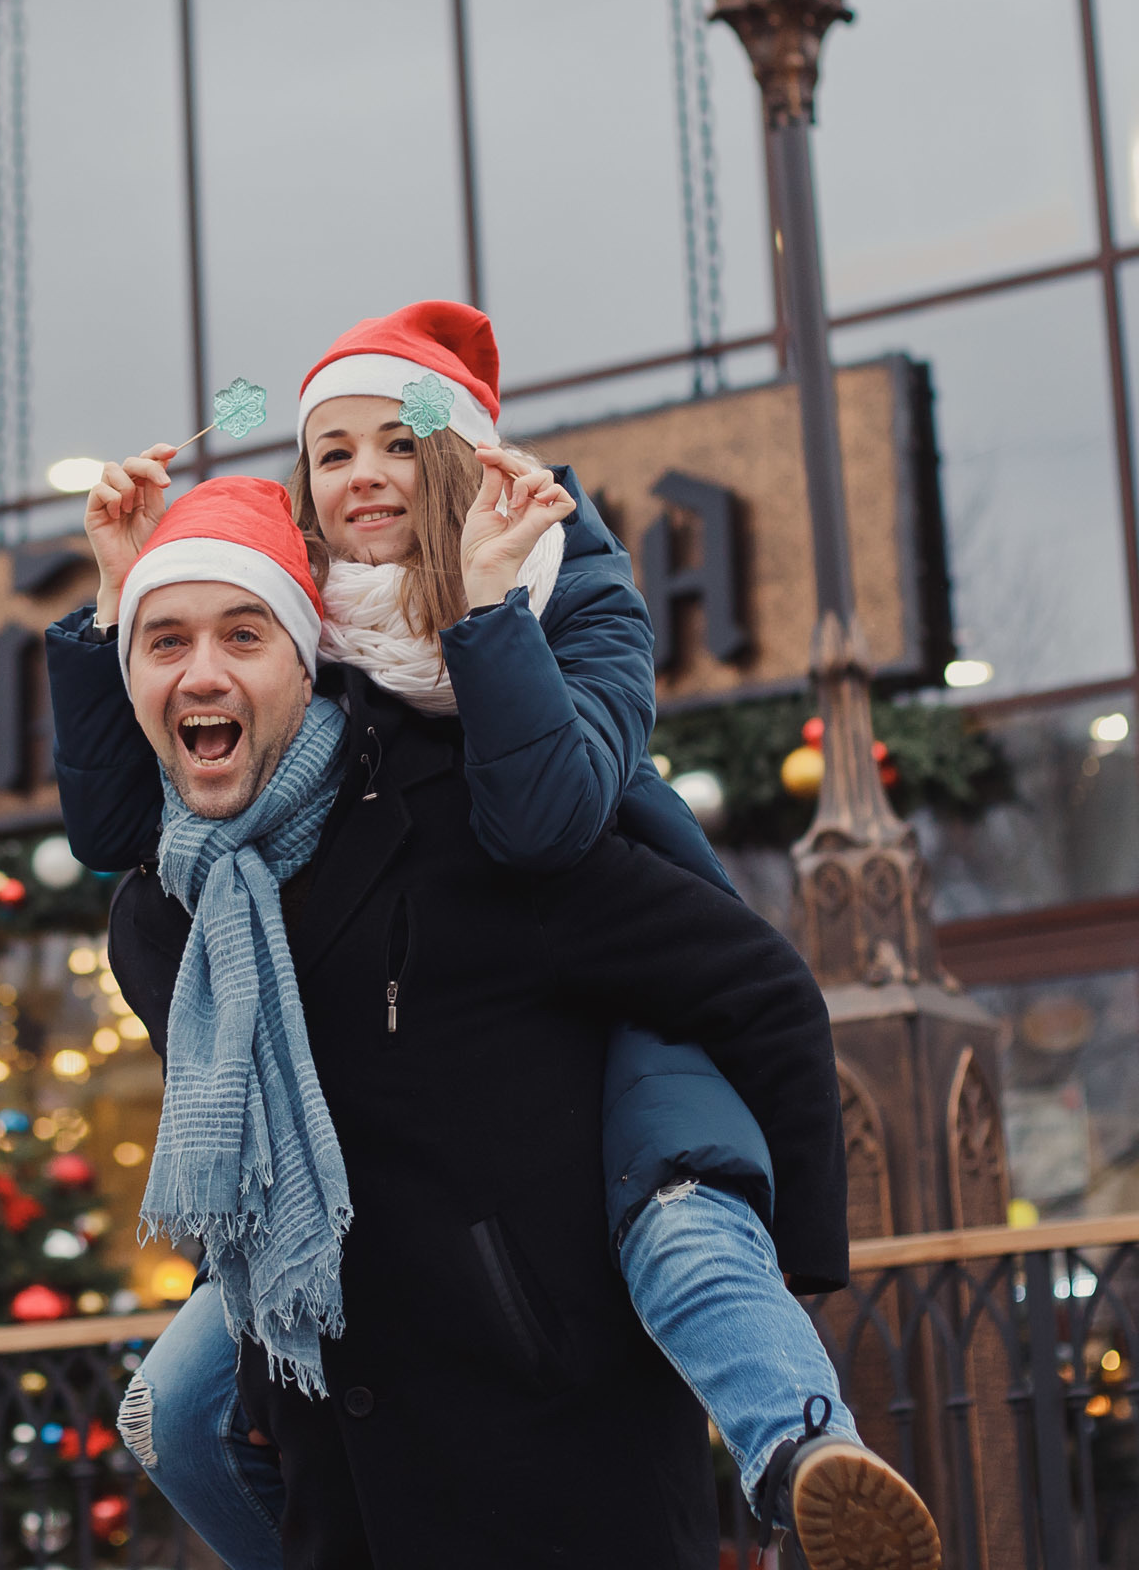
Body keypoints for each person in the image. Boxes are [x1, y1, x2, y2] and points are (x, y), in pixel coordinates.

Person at [47, 302, 940, 1570]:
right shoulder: (201, 872)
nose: (366, 474)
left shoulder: (552, 584)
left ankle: (795, 1441)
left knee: (683, 1222)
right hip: (357, 1399)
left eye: (399, 445)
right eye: (332, 452)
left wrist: (484, 614)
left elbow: (543, 823)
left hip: (613, 993)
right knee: (177, 1411)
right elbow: (127, 806)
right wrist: (116, 591)